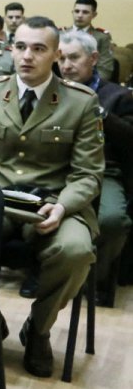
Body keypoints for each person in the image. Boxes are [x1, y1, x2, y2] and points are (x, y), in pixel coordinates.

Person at [0, 17, 103, 377]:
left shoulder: (81, 102)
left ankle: (38, 329)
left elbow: (87, 174)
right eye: (21, 47)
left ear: (55, 54)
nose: (27, 56)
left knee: (76, 251)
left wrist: (64, 206)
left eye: (39, 49)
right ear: (10, 49)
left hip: (53, 204)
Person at [59, 30, 133, 305]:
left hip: (105, 171)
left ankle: (93, 279)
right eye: (62, 58)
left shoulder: (118, 96)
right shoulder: (52, 91)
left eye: (74, 58)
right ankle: (49, 275)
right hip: (57, 168)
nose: (66, 65)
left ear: (93, 58)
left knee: (111, 222)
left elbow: (129, 138)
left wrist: (101, 113)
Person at [70, 0, 116, 81]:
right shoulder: (60, 34)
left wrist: (90, 87)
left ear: (94, 15)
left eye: (85, 12)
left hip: (89, 85)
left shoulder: (102, 37)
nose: (80, 15)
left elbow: (105, 70)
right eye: (77, 11)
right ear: (72, 12)